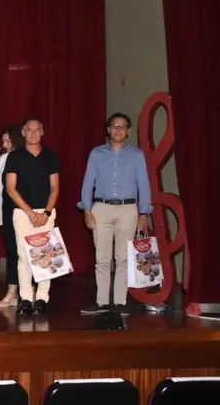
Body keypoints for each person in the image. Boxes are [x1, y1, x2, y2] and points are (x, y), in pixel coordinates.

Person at [80, 112, 153, 315]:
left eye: (122, 126)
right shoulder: (96, 153)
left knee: (123, 258)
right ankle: (102, 302)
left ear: (128, 131)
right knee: (102, 258)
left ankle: (120, 302)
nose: (118, 129)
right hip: (100, 208)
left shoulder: (136, 155)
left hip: (128, 209)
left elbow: (143, 184)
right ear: (108, 130)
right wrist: (86, 208)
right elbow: (88, 182)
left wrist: (144, 212)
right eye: (114, 126)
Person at [5, 116, 60, 316]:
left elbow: (55, 188)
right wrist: (29, 213)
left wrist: (45, 213)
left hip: (46, 213)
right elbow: (11, 189)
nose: (34, 133)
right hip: (22, 213)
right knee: (24, 256)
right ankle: (26, 297)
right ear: (23, 132)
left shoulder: (50, 156)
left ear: (43, 132)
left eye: (37, 129)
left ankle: (43, 298)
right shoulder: (15, 157)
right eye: (30, 129)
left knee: (46, 255)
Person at [0, 125, 24, 308]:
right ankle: (12, 291)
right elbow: (1, 188)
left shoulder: (25, 158)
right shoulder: (3, 159)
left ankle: (27, 292)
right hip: (5, 212)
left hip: (23, 212)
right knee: (12, 252)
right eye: (4, 142)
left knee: (26, 252)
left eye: (9, 141)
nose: (6, 145)